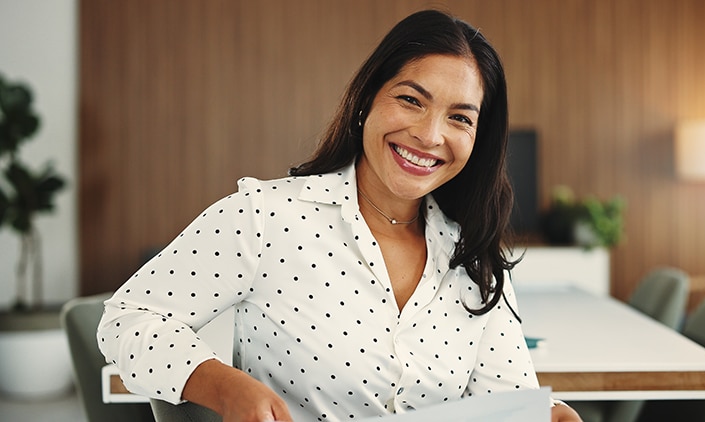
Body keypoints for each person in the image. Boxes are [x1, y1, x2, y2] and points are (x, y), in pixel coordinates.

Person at [97, 9, 581, 422]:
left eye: (460, 117)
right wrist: (226, 387)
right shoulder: (266, 216)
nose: (430, 135)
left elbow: (505, 400)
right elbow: (128, 321)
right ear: (366, 102)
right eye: (411, 100)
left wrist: (546, 412)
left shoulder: (473, 255)